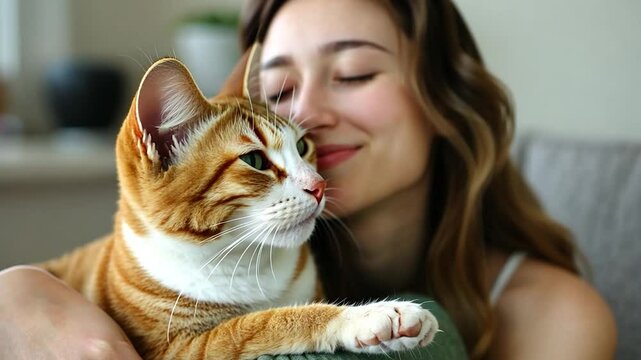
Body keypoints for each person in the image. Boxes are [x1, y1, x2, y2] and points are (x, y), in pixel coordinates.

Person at [0, 0, 616, 359]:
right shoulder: (233, 247)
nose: (306, 118)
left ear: (442, 100)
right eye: (279, 91)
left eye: (352, 74)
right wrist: (20, 289)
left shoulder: (554, 316)